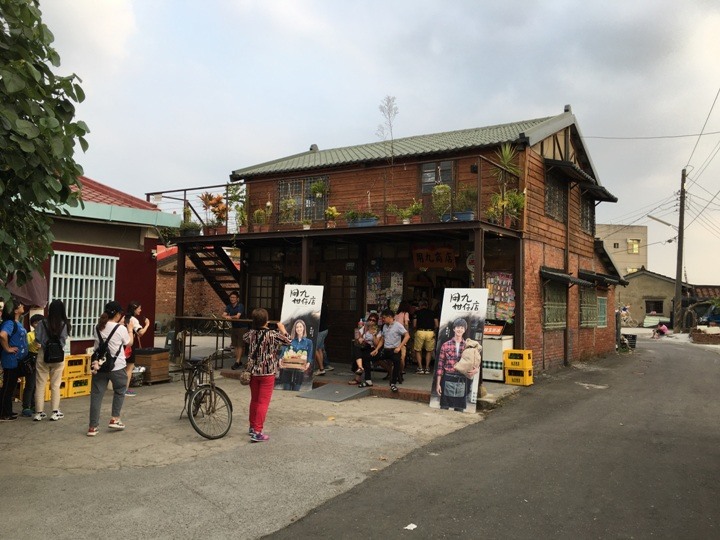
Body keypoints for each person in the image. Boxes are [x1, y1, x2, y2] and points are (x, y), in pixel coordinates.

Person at [243, 308, 290, 442]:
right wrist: (283, 329)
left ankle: (252, 426)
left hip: (253, 372)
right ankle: (258, 432)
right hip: (267, 372)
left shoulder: (251, 334)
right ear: (266, 321)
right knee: (263, 402)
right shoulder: (272, 334)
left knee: (255, 400)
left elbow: (244, 338)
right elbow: (288, 341)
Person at [87, 301, 131, 436]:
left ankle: (92, 427)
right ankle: (114, 418)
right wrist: (129, 328)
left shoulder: (98, 327)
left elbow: (96, 347)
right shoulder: (121, 328)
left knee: (96, 395)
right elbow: (129, 343)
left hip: (100, 366)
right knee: (119, 390)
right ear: (117, 314)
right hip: (117, 366)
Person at [33, 299, 71, 421]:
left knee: (40, 384)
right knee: (55, 384)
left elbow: (37, 339)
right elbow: (63, 340)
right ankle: (55, 411)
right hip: (58, 356)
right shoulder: (64, 324)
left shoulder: (42, 323)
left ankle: (39, 412)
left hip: (43, 354)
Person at [435, 318, 479, 411]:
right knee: (444, 409)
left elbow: (476, 361)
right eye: (458, 327)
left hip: (462, 379)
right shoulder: (445, 345)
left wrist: (476, 370)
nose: (460, 329)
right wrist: (438, 384)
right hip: (448, 377)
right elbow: (440, 365)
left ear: (465, 330)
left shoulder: (468, 346)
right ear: (454, 329)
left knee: (459, 410)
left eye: (462, 327)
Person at [0, 300, 27, 421]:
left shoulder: (17, 322)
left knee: (11, 386)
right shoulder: (9, 323)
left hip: (17, 360)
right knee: (7, 386)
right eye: (21, 305)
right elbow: (2, 335)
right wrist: (7, 348)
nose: (23, 306)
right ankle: (3, 413)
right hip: (10, 359)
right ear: (15, 310)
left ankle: (8, 410)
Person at [377, 309, 410, 393]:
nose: (383, 320)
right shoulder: (384, 326)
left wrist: (399, 347)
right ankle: (389, 370)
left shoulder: (398, 325)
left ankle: (393, 384)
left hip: (394, 350)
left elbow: (407, 336)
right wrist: (377, 349)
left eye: (384, 318)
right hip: (386, 349)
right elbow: (382, 339)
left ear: (390, 317)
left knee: (397, 363)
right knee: (375, 358)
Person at [278, 319, 313, 391]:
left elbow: (310, 354)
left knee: (296, 390)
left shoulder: (308, 342)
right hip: (288, 368)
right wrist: (280, 359)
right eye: (297, 327)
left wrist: (308, 363)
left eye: (300, 327)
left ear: (304, 328)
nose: (299, 329)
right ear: (295, 329)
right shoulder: (290, 340)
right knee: (286, 389)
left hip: (300, 369)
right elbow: (284, 350)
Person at [124, 301, 150, 397]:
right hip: (130, 345)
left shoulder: (123, 318)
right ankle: (125, 390)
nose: (140, 310)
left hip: (121, 345)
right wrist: (147, 324)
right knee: (129, 368)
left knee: (121, 367)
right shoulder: (133, 320)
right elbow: (141, 332)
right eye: (139, 308)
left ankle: (118, 388)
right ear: (134, 309)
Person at [21, 314, 43, 417]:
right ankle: (26, 406)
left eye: (40, 322)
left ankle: (34, 404)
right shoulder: (29, 334)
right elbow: (27, 346)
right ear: (32, 324)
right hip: (31, 359)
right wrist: (35, 341)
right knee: (30, 383)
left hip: (42, 360)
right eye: (35, 322)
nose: (38, 325)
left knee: (38, 384)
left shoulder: (45, 335)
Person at [353, 313, 383, 387]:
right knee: (357, 348)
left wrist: (374, 335)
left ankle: (361, 376)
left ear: (376, 322)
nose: (371, 321)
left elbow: (376, 344)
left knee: (363, 357)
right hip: (364, 347)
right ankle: (362, 370)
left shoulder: (377, 330)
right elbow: (358, 337)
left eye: (373, 320)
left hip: (372, 349)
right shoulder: (364, 327)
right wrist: (360, 339)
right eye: (370, 319)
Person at [223, 291, 248, 370]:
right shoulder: (229, 306)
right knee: (235, 345)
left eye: (234, 297)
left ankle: (237, 362)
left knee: (240, 345)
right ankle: (238, 361)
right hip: (234, 327)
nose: (232, 299)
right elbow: (223, 314)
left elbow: (238, 316)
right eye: (231, 297)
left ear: (237, 299)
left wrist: (229, 317)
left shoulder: (240, 306)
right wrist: (227, 316)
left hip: (242, 327)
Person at [413, 299, 438, 374]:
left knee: (418, 350)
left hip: (420, 331)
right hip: (430, 332)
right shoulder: (433, 313)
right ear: (427, 306)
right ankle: (427, 368)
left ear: (420, 306)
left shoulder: (417, 313)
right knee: (429, 351)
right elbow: (437, 325)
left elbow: (414, 325)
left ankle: (420, 368)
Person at [394, 300, 412, 375]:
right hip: (402, 334)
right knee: (402, 352)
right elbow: (406, 324)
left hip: (395, 334)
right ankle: (401, 369)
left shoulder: (396, 314)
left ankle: (396, 368)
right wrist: (407, 333)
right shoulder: (406, 313)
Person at [314, 300, 331, 375]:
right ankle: (321, 367)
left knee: (315, 348)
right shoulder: (325, 304)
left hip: (320, 330)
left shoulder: (318, 306)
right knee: (319, 348)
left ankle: (321, 368)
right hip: (324, 329)